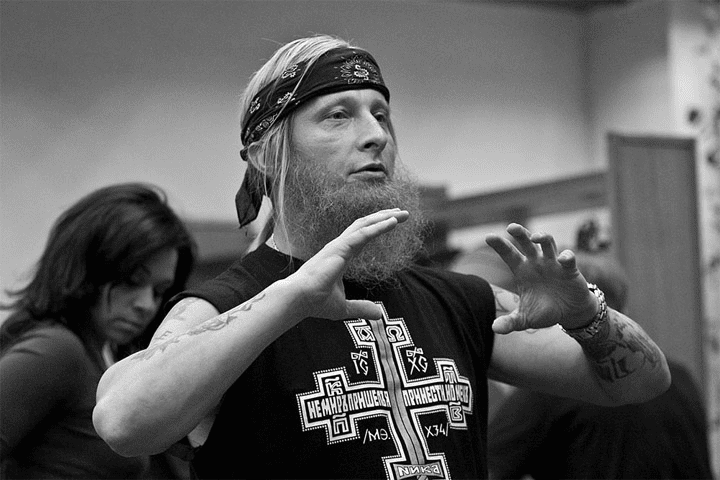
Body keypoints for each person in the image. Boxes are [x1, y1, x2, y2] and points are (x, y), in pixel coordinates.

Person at [92, 34, 671, 480]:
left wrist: (588, 318)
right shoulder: (225, 306)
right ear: (267, 155)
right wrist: (290, 299)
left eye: (381, 113)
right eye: (337, 115)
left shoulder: (455, 300)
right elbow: (122, 422)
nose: (375, 135)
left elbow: (642, 383)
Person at [0, 183, 196, 479]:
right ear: (88, 266)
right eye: (131, 281)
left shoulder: (97, 357)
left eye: (159, 291)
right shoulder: (57, 350)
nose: (146, 305)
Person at [487, 251, 715, 480]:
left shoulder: (550, 386)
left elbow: (488, 466)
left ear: (554, 310)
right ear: (625, 312)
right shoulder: (680, 378)